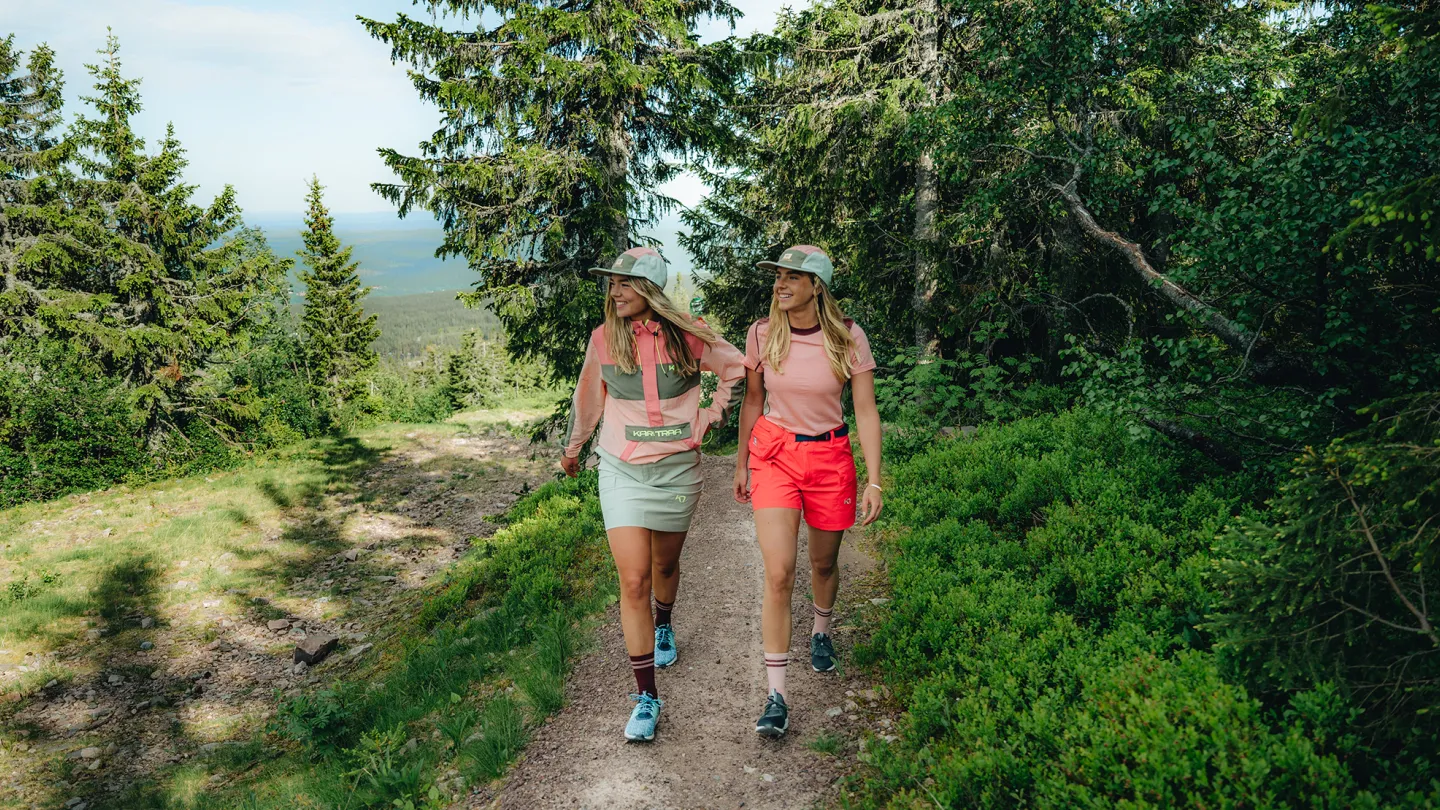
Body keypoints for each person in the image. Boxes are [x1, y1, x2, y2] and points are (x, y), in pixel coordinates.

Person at [561, 246, 746, 742]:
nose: (614, 292)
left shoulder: (688, 335)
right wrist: (576, 445)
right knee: (634, 580)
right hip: (620, 469)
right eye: (612, 284)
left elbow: (737, 367)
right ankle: (647, 696)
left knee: (664, 567)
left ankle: (664, 622)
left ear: (647, 288)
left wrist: (712, 415)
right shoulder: (604, 338)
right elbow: (589, 395)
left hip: (677, 471)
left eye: (623, 283)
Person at [732, 245, 884, 739]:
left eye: (791, 277)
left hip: (829, 458)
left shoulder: (847, 337)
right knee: (778, 572)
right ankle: (776, 694)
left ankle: (820, 630)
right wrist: (741, 463)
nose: (779, 284)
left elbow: (864, 411)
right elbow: (753, 399)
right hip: (774, 454)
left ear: (815, 286)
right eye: (777, 276)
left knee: (823, 562)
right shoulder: (761, 332)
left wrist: (875, 477)